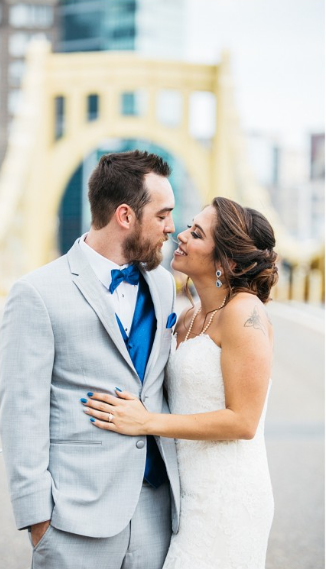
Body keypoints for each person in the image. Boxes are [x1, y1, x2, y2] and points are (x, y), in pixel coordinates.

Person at [0, 150, 182, 569]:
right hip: (73, 520)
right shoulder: (37, 293)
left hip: (156, 512)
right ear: (125, 216)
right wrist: (37, 520)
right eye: (163, 215)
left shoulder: (164, 284)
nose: (172, 227)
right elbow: (20, 411)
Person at [82, 197, 279, 569]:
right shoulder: (188, 316)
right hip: (185, 494)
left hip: (228, 498)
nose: (181, 235)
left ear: (228, 262)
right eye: (190, 226)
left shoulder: (245, 312)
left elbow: (243, 421)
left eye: (197, 234)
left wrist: (146, 422)